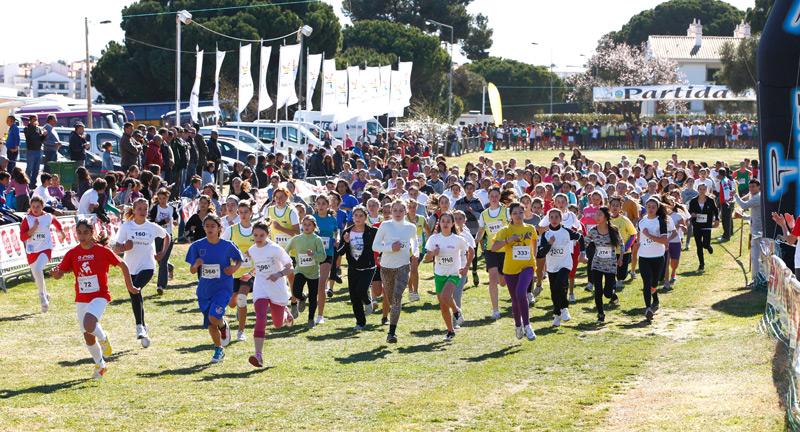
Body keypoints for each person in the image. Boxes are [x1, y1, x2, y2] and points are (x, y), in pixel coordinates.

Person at [51, 219, 136, 379]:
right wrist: (56, 273)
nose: (82, 236)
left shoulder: (102, 251)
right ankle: (100, 364)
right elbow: (61, 272)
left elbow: (123, 265)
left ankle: (104, 338)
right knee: (87, 335)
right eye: (79, 232)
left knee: (89, 324)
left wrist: (130, 287)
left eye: (85, 232)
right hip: (82, 298)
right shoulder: (73, 253)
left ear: (92, 233)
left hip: (100, 295)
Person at [186, 214, 244, 363]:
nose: (210, 229)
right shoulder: (197, 246)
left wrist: (233, 268)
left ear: (219, 228)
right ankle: (219, 347)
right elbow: (192, 271)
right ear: (203, 228)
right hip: (205, 290)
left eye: (213, 226)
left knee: (213, 318)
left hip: (223, 288)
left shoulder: (227, 245)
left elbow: (239, 260)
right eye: (207, 226)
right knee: (211, 324)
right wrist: (196, 264)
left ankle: (222, 327)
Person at [113, 198, 170, 347]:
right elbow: (116, 247)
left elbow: (167, 236)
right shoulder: (126, 226)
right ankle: (143, 327)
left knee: (135, 289)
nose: (143, 212)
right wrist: (125, 247)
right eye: (140, 209)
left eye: (145, 209)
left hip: (148, 266)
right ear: (134, 209)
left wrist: (162, 253)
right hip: (130, 267)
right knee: (134, 293)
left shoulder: (151, 226)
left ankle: (139, 326)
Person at [247, 221, 294, 368]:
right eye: (255, 235)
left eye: (262, 235)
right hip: (260, 286)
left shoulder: (275, 249)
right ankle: (258, 355)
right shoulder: (252, 250)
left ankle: (286, 313)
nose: (258, 238)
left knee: (278, 324)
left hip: (277, 287)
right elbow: (259, 267)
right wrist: (249, 274)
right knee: (260, 317)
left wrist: (278, 274)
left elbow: (290, 268)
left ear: (268, 235)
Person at [372, 199, 418, 343]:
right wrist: (390, 248)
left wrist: (415, 252)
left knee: (397, 299)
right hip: (386, 268)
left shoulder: (411, 227)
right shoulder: (385, 226)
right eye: (395, 210)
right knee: (391, 300)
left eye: (401, 210)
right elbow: (375, 246)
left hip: (403, 267)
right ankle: (390, 324)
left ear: (405, 211)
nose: (398, 213)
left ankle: (391, 333)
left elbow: (415, 242)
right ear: (390, 212)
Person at [491, 202, 538, 340]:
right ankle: (518, 325)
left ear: (525, 213)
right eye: (515, 213)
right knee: (515, 299)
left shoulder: (530, 228)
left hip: (527, 266)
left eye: (520, 212)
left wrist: (533, 258)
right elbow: (493, 248)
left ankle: (528, 326)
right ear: (510, 215)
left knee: (520, 292)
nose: (518, 215)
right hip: (510, 269)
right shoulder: (505, 230)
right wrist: (508, 240)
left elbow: (534, 243)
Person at [425, 212, 469, 341]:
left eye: (448, 221)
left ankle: (456, 311)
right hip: (439, 274)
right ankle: (450, 331)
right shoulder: (434, 239)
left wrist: (464, 266)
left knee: (445, 296)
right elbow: (426, 258)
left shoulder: (458, 239)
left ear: (452, 224)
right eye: (443, 221)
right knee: (443, 305)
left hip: (454, 273)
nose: (445, 223)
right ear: (440, 223)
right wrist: (433, 253)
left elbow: (467, 252)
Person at [19, 196, 65, 313]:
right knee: (37, 274)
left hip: (46, 248)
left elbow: (56, 221)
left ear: (42, 206)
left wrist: (61, 232)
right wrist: (33, 228)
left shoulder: (47, 217)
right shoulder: (27, 219)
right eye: (33, 206)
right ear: (30, 207)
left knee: (39, 269)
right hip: (32, 251)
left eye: (38, 206)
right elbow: (22, 237)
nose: (35, 209)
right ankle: (45, 294)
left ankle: (42, 296)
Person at [537, 208, 582, 327]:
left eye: (557, 217)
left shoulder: (567, 231)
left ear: (561, 219)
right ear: (548, 219)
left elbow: (580, 237)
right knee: (554, 291)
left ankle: (564, 308)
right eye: (551, 217)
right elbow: (540, 253)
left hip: (565, 264)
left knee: (560, 283)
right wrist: (549, 244)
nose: (554, 219)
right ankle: (557, 314)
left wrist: (582, 252)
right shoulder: (546, 234)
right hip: (552, 266)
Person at [222, 199, 257, 341]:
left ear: (251, 213)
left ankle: (241, 332)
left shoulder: (256, 230)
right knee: (232, 303)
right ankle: (238, 309)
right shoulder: (231, 230)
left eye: (246, 212)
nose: (243, 215)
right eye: (241, 212)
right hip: (234, 272)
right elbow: (222, 246)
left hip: (250, 272)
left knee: (242, 298)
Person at [338, 206, 378, 330]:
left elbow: (380, 246)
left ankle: (367, 301)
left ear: (366, 218)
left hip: (369, 267)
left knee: (361, 291)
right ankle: (360, 322)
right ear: (352, 217)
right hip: (353, 268)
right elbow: (340, 252)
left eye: (361, 216)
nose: (358, 218)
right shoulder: (347, 232)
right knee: (354, 296)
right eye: (356, 215)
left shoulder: (372, 232)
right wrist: (346, 242)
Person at [637, 197, 675, 321]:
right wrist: (639, 243)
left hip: (658, 257)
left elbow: (664, 240)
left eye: (653, 207)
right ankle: (648, 308)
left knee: (654, 283)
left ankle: (655, 298)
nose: (651, 209)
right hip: (644, 257)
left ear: (657, 208)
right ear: (645, 208)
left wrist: (649, 235)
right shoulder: (642, 222)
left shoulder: (661, 221)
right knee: (646, 283)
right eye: (649, 207)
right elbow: (639, 235)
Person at [286, 215, 326, 328]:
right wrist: (287, 261)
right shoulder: (296, 239)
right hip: (300, 271)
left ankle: (310, 319)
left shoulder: (317, 239)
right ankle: (302, 298)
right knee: (296, 291)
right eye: (304, 225)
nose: (306, 227)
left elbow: (323, 257)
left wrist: (313, 254)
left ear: (314, 226)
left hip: (313, 273)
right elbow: (285, 251)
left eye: (309, 225)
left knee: (313, 297)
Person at [475, 187, 508, 320]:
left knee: (503, 282)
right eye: (491, 196)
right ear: (488, 198)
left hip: (505, 250)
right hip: (491, 249)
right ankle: (495, 310)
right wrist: (475, 241)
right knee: (492, 278)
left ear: (499, 196)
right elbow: (481, 230)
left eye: (496, 195)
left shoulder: (506, 212)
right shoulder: (484, 214)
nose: (494, 198)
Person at [584, 206, 621, 322]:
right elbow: (585, 242)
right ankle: (600, 314)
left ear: (606, 217)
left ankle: (613, 295)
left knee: (607, 293)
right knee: (598, 290)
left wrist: (621, 258)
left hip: (610, 265)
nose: (597, 217)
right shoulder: (593, 231)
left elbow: (622, 244)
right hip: (597, 264)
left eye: (599, 214)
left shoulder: (613, 230)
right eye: (596, 214)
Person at [147, 188, 178, 294]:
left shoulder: (171, 208)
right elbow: (151, 222)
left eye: (164, 198)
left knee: (163, 260)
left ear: (167, 198)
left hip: (168, 236)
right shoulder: (156, 208)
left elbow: (176, 218)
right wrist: (162, 222)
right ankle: (170, 267)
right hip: (156, 236)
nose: (162, 200)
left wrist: (175, 222)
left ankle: (161, 285)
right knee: (158, 258)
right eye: (160, 198)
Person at [688, 183, 719, 272]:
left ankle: (708, 246)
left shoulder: (710, 200)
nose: (702, 191)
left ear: (706, 190)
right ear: (698, 190)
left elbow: (715, 210)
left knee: (705, 244)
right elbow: (689, 211)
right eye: (700, 189)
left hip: (707, 224)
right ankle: (701, 264)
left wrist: (717, 219)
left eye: (704, 189)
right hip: (697, 225)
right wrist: (692, 214)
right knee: (698, 245)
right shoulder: (693, 201)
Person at [736, 179, 762, 283]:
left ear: (758, 187)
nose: (751, 189)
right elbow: (754, 217)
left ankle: (756, 280)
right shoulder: (756, 197)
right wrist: (743, 217)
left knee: (756, 257)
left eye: (753, 187)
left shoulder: (757, 197)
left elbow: (743, 205)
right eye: (750, 187)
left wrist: (735, 195)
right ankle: (757, 279)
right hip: (756, 229)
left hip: (758, 232)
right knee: (755, 256)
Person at [23, 114, 47, 188]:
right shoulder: (27, 128)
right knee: (29, 168)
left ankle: (33, 183)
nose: (35, 120)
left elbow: (41, 140)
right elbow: (30, 136)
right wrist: (34, 126)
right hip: (31, 151)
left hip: (38, 150)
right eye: (34, 119)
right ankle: (26, 183)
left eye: (36, 119)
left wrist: (44, 135)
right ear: (30, 120)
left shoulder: (38, 128)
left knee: (36, 169)